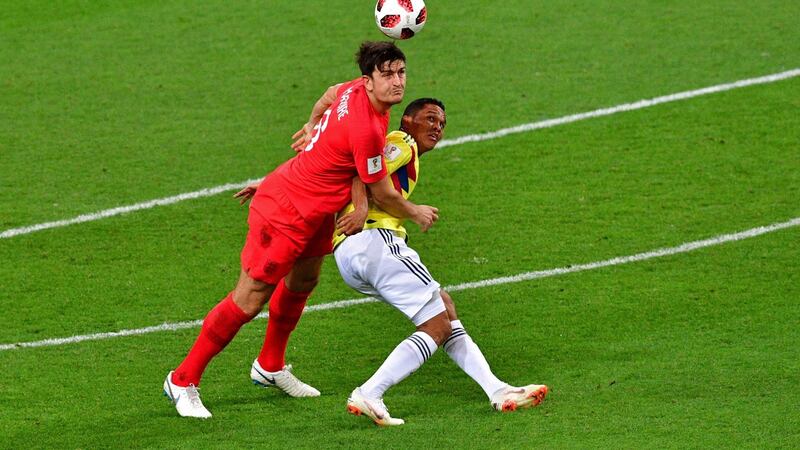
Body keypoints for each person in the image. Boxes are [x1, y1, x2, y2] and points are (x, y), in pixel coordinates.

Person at [163, 41, 439, 419]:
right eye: (386, 75)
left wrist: (311, 127)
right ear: (368, 81)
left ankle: (270, 366)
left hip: (314, 210)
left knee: (303, 282)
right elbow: (384, 192)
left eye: (401, 73)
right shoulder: (367, 128)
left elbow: (328, 99)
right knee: (249, 299)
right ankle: (183, 379)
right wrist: (415, 211)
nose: (396, 82)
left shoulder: (352, 92)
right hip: (286, 212)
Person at [332, 98, 549, 426]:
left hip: (349, 254)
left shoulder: (408, 152)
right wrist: (402, 211)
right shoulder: (402, 141)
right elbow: (364, 172)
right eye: (430, 119)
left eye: (442, 124)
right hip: (375, 241)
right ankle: (370, 392)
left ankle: (497, 389)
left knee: (444, 308)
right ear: (408, 120)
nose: (437, 127)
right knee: (436, 324)